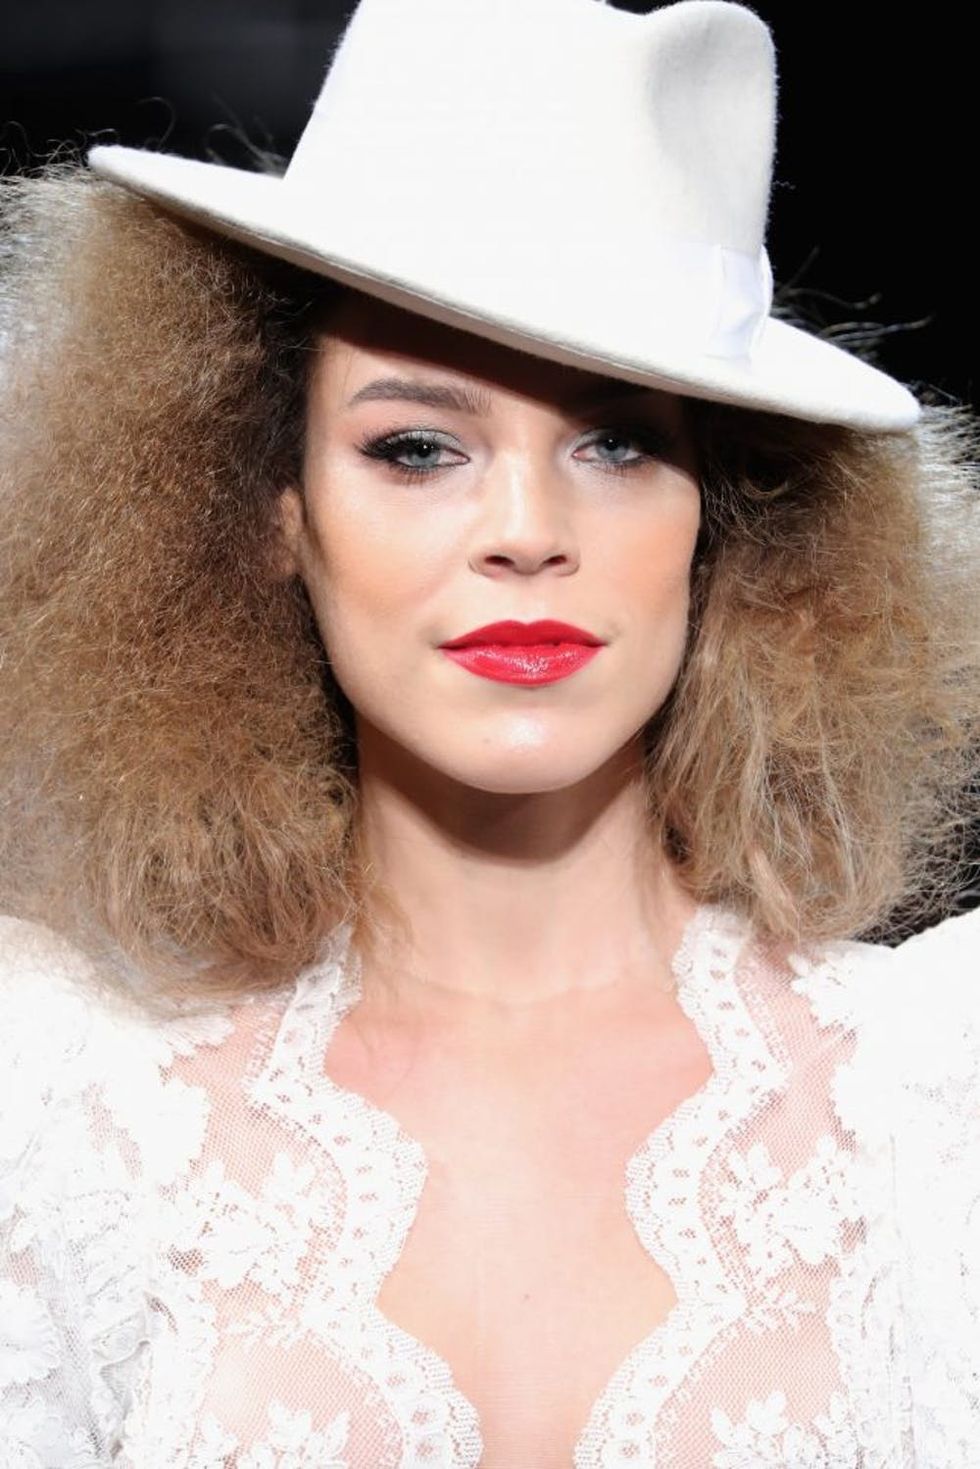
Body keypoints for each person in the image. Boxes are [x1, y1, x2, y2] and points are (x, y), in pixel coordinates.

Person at [1, 0, 978, 1464]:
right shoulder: (54, 1107)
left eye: (620, 439)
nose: (528, 531)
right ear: (270, 513)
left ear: (725, 524)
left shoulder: (940, 1097)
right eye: (418, 447)